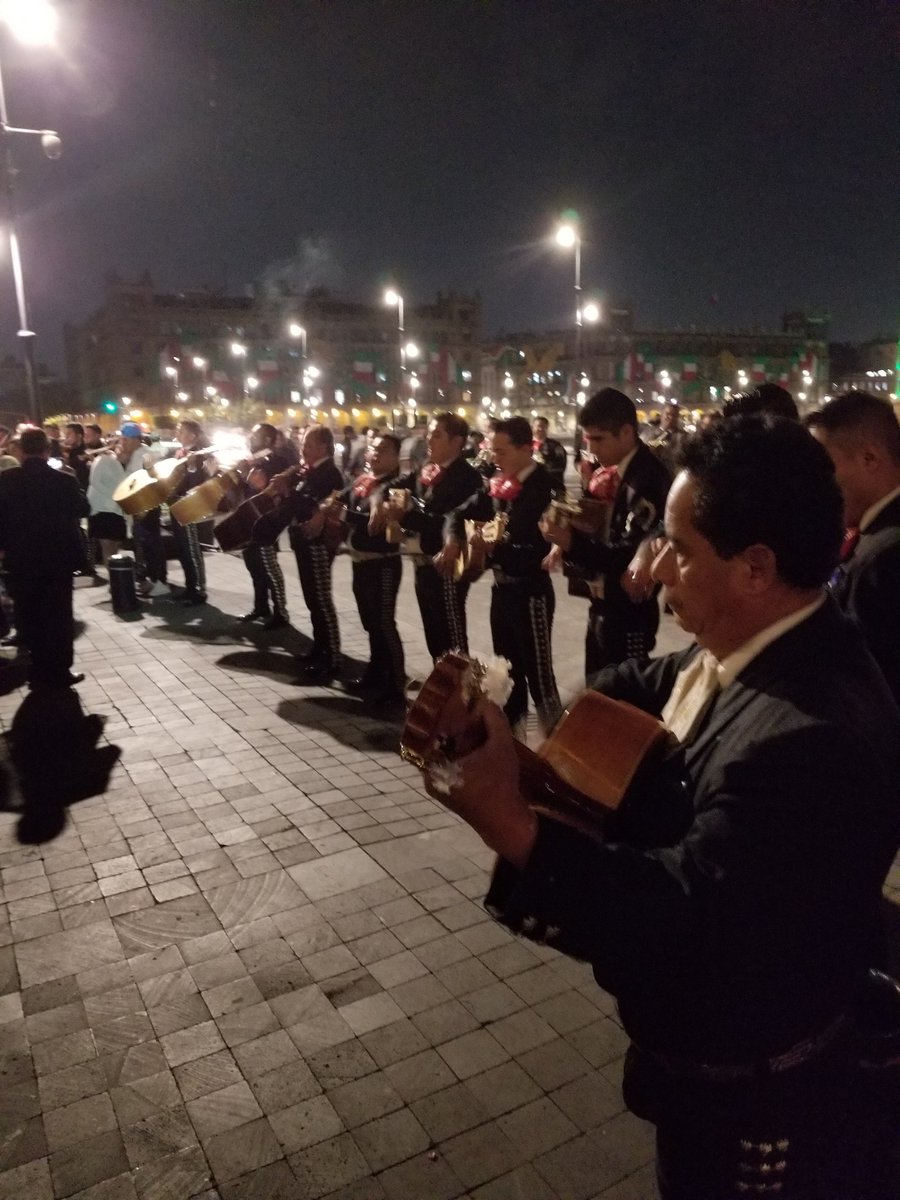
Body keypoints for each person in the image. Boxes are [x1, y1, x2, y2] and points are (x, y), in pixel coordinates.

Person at [427, 416, 900, 1200]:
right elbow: (646, 680)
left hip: (760, 1106)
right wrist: (542, 746)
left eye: (679, 548)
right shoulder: (770, 638)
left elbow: (684, 918)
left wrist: (512, 821)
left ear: (756, 568)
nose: (657, 566)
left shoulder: (808, 733)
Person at [542, 388, 671, 679]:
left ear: (626, 432)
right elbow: (593, 522)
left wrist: (570, 541)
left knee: (623, 694)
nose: (592, 449)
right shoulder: (612, 471)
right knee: (597, 687)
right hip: (602, 603)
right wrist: (567, 530)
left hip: (629, 611)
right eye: (588, 440)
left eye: (598, 439)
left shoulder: (647, 478)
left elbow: (627, 554)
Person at [453, 416, 561, 736]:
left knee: (539, 674)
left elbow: (534, 542)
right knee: (507, 672)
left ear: (527, 448)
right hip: (501, 589)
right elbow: (461, 512)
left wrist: (496, 545)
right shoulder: (499, 483)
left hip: (531, 592)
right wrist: (453, 538)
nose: (495, 459)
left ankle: (556, 742)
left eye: (501, 452)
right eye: (493, 451)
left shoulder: (544, 486)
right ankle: (514, 742)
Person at [807, 391, 900, 706]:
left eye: (825, 470)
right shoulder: (873, 538)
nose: (816, 486)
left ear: (870, 458)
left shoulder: (883, 558)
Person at [382, 411, 484, 661]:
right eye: (429, 434)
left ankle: (461, 685)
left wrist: (407, 516)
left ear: (457, 442)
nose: (429, 440)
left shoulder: (466, 477)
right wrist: (380, 504)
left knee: (452, 640)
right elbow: (389, 487)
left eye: (437, 435)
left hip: (447, 566)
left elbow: (445, 522)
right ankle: (440, 681)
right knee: (433, 635)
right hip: (422, 563)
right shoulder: (427, 469)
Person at [0, 428, 89, 688]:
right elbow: (83, 509)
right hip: (57, 559)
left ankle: (37, 667)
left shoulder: (6, 480)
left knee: (30, 613)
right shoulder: (64, 480)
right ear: (46, 450)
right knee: (59, 615)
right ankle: (60, 670)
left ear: (21, 451)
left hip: (21, 559)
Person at [259, 425, 343, 681]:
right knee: (311, 598)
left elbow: (312, 505)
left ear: (324, 447)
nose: (303, 449)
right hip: (303, 540)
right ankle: (320, 647)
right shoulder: (307, 471)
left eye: (308, 445)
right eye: (303, 444)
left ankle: (332, 656)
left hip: (318, 542)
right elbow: (295, 504)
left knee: (321, 600)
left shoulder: (329, 474)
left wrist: (288, 491)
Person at [340, 433, 406, 706]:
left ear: (395, 457)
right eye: (373, 449)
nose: (375, 454)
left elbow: (373, 525)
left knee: (384, 624)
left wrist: (342, 514)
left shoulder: (395, 486)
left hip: (383, 563)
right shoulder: (365, 481)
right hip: (360, 562)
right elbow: (344, 500)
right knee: (370, 622)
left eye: (382, 450)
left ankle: (396, 685)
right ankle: (376, 672)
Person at [239, 423, 293, 629]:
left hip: (267, 523)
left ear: (268, 440)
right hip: (250, 520)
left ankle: (281, 612)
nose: (251, 438)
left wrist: (251, 474)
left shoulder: (277, 461)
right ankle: (260, 606)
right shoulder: (251, 459)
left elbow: (272, 491)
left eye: (256, 435)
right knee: (253, 565)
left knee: (269, 568)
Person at [86, 422, 145, 566]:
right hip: (102, 510)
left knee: (115, 547)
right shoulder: (104, 460)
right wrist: (116, 498)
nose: (126, 455)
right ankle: (114, 576)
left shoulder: (127, 467)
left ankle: (116, 574)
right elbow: (95, 482)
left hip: (117, 512)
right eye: (122, 448)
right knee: (107, 546)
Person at [168, 420, 211, 606]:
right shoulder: (179, 453)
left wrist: (192, 467)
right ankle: (190, 586)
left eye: (182, 431)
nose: (178, 433)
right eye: (178, 430)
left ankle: (199, 590)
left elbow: (198, 483)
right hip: (177, 504)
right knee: (182, 549)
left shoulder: (199, 455)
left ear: (193, 436)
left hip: (190, 507)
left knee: (192, 549)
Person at [531, 416, 567, 494]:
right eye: (538, 426)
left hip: (551, 486)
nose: (540, 429)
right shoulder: (526, 445)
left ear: (547, 428)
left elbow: (560, 465)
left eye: (543, 427)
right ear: (533, 427)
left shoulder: (555, 445)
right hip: (531, 486)